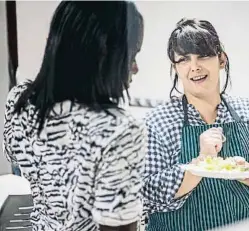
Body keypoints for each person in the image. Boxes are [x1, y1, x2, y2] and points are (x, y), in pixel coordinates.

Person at [3, 1, 145, 231]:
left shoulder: (18, 101)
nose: (135, 67)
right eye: (131, 55)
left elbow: (15, 157)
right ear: (103, 54)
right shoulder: (119, 128)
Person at [142, 18, 249, 231]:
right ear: (175, 68)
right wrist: (201, 163)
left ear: (221, 59)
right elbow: (148, 193)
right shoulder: (157, 122)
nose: (194, 67)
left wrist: (242, 170)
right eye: (183, 60)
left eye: (203, 56)